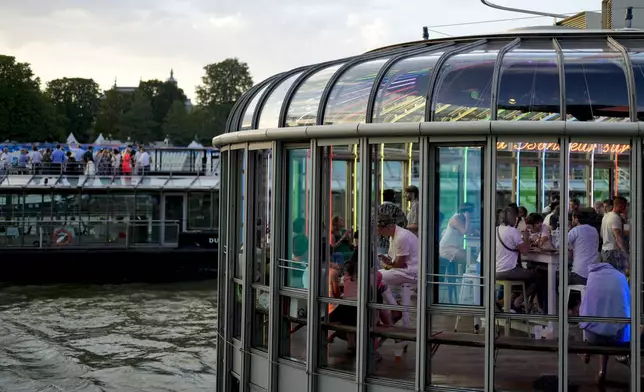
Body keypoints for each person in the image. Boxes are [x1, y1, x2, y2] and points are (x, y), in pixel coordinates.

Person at [579, 250, 631, 385]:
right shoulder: (621, 279)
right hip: (617, 338)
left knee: (602, 323)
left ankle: (600, 370)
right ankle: (603, 370)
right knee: (613, 325)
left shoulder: (593, 275)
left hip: (591, 337)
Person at [495, 207, 540, 312]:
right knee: (537, 276)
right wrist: (526, 237)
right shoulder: (513, 231)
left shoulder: (496, 230)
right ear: (513, 219)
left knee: (524, 276)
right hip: (508, 271)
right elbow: (525, 251)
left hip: (496, 270)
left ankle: (511, 303)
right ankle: (519, 301)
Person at [567, 210, 599, 285]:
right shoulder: (594, 230)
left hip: (579, 275)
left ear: (576, 219)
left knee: (556, 278)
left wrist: (567, 230)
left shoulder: (575, 230)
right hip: (593, 275)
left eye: (572, 218)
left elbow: (559, 244)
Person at [600, 196, 628, 263]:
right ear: (620, 205)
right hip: (613, 252)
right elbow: (618, 238)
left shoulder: (606, 216)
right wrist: (626, 254)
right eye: (625, 206)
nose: (625, 208)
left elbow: (601, 234)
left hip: (604, 250)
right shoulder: (615, 218)